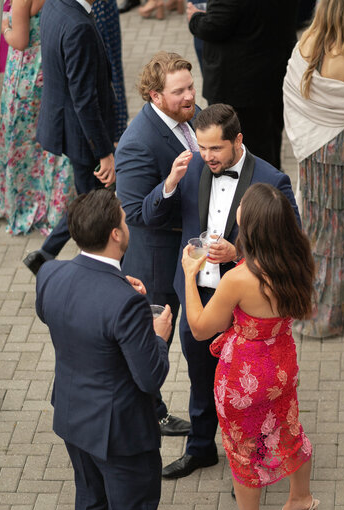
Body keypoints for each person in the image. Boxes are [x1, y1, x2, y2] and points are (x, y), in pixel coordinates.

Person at [144, 104, 300, 479]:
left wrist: (240, 253)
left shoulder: (270, 179)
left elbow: (292, 242)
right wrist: (168, 184)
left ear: (238, 140)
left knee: (254, 392)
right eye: (202, 147)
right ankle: (201, 449)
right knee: (200, 379)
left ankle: (256, 462)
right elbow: (151, 218)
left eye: (216, 149)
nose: (207, 156)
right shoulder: (193, 166)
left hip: (247, 306)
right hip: (198, 296)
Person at [181, 183, 317, 510]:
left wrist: (189, 276)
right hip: (282, 364)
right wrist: (235, 256)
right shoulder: (298, 256)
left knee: (243, 453)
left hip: (244, 376)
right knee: (288, 430)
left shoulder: (239, 280)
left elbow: (199, 328)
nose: (237, 205)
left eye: (242, 204)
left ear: (251, 224)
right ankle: (300, 497)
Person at [36, 189, 172, 510]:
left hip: (72, 417)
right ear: (115, 234)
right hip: (120, 434)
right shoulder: (125, 304)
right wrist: (158, 335)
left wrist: (117, 289)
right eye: (125, 220)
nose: (127, 225)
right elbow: (149, 377)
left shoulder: (50, 275)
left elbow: (60, 314)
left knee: (91, 504)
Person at [283, 0, 344, 338]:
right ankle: (333, 317)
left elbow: (294, 94)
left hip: (312, 153)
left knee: (315, 230)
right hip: (340, 157)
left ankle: (306, 305)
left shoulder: (304, 43)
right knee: (341, 237)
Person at [115, 51, 198, 437]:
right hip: (155, 263)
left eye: (190, 87)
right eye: (178, 91)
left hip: (189, 250)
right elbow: (134, 213)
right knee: (150, 341)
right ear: (154, 96)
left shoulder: (191, 116)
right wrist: (168, 185)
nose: (189, 97)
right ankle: (150, 413)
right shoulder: (136, 143)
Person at [23, 0, 116, 275]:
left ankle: (45, 253)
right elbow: (84, 99)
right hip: (81, 133)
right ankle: (85, 263)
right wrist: (103, 152)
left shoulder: (55, 4)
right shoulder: (79, 26)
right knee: (93, 202)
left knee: (88, 197)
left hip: (67, 124)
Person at [0, 0, 76, 236]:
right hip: (47, 68)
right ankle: (51, 204)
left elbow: (20, 40)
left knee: (20, 142)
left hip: (24, 75)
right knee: (46, 141)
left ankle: (21, 204)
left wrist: (5, 26)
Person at [187, 0, 297, 170]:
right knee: (269, 140)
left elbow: (215, 26)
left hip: (240, 87)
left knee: (244, 150)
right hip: (275, 72)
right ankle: (270, 188)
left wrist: (195, 18)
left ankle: (256, 191)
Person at [91, 0, 128, 139]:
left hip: (98, 10)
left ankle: (117, 132)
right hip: (97, 10)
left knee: (108, 69)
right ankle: (118, 130)